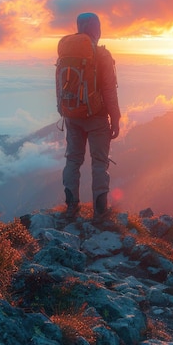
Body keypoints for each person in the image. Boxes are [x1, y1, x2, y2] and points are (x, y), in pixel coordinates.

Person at [61, 12, 121, 219]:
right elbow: (109, 90)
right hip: (96, 117)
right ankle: (100, 211)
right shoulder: (102, 55)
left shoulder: (68, 52)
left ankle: (71, 206)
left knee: (73, 160)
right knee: (99, 161)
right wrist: (116, 118)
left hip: (72, 115)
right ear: (96, 29)